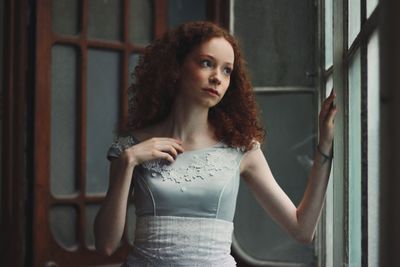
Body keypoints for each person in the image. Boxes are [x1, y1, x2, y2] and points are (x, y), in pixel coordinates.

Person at [94, 21, 337, 267]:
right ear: (176, 67)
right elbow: (106, 245)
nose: (217, 78)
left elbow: (302, 230)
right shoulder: (130, 148)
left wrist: (325, 145)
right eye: (206, 63)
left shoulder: (242, 149)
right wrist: (128, 161)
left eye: (227, 70)